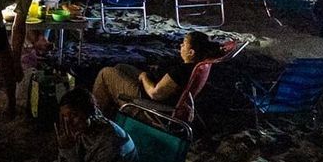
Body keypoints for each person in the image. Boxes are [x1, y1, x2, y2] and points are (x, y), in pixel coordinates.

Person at [90, 31, 224, 113]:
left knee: (105, 73)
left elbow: (155, 94)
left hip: (149, 102)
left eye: (184, 44)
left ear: (191, 52)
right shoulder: (194, 66)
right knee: (121, 67)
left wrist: (143, 77)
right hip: (155, 92)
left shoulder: (182, 71)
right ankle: (109, 110)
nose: (181, 46)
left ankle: (95, 115)